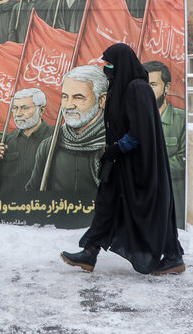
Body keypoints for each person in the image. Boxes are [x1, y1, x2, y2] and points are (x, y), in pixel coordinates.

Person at [61, 43, 185, 276]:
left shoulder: (138, 88)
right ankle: (90, 252)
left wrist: (117, 149)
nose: (106, 68)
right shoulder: (118, 87)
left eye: (110, 63)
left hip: (139, 164)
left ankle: (173, 256)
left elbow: (140, 132)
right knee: (106, 203)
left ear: (122, 64)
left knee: (151, 209)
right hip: (120, 162)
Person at [25, 66, 107, 193]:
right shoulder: (49, 146)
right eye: (65, 96)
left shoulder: (115, 145)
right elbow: (32, 194)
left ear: (101, 100)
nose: (68, 105)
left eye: (78, 98)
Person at [0, 88, 53, 191]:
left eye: (25, 108)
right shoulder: (5, 140)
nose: (18, 114)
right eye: (15, 108)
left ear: (41, 110)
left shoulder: (56, 137)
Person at [143, 60, 186, 227]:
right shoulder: (133, 120)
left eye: (153, 85)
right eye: (143, 85)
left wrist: (150, 167)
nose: (146, 91)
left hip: (171, 199)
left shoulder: (181, 120)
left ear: (167, 87)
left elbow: (183, 161)